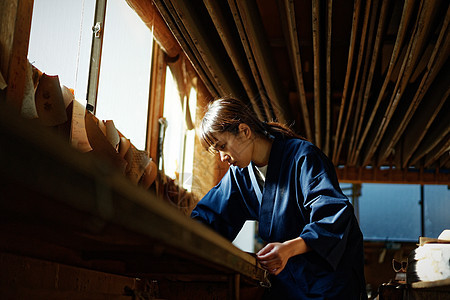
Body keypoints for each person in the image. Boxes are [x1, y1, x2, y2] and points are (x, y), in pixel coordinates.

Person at [191, 97, 367, 299]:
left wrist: (288, 249)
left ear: (245, 131)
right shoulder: (240, 176)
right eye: (216, 151)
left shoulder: (303, 157)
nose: (222, 157)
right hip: (290, 281)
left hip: (329, 279)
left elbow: (332, 217)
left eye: (222, 146)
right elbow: (210, 217)